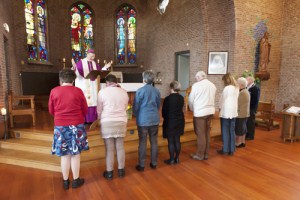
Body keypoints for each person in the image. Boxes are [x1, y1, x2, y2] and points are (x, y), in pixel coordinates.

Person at [49, 69, 88, 190]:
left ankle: (65, 182)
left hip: (61, 126)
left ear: (60, 80)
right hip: (77, 126)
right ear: (73, 80)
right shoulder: (78, 91)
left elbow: (51, 110)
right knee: (75, 155)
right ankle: (76, 180)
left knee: (64, 155)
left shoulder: (54, 91)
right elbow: (85, 110)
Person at [97, 74, 129, 180]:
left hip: (107, 121)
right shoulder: (124, 92)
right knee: (120, 147)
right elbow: (125, 107)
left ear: (107, 82)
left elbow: (99, 110)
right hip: (121, 121)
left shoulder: (102, 92)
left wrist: (98, 119)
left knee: (109, 149)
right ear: (116, 82)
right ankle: (121, 171)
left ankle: (109, 173)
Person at [133, 70, 161, 171]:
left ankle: (141, 165)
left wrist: (135, 114)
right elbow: (158, 105)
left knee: (142, 142)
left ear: (144, 79)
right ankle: (154, 163)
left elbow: (136, 106)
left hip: (143, 119)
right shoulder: (157, 91)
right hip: (154, 118)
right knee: (154, 141)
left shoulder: (140, 90)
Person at [188, 71, 216, 160]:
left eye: (196, 78)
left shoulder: (196, 86)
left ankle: (200, 155)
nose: (196, 80)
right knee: (207, 133)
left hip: (200, 113)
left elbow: (191, 100)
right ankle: (206, 154)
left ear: (199, 77)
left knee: (200, 134)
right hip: (210, 111)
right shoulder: (212, 85)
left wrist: (192, 109)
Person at [71, 49, 101, 124]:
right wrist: (75, 67)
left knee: (93, 100)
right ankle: (84, 119)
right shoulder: (81, 63)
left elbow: (99, 72)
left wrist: (104, 68)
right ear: (87, 54)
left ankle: (93, 119)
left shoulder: (95, 63)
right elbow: (77, 74)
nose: (92, 58)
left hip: (93, 85)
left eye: (93, 57)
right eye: (91, 56)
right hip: (84, 84)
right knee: (85, 101)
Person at [162, 81, 185, 165]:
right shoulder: (181, 98)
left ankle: (171, 159)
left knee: (171, 141)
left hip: (170, 121)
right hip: (179, 120)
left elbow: (164, 112)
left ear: (171, 88)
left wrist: (166, 117)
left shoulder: (167, 99)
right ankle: (177, 158)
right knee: (177, 140)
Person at [217, 73, 239, 156]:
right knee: (232, 130)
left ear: (226, 80)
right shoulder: (236, 88)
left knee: (225, 131)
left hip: (226, 112)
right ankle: (232, 149)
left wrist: (219, 108)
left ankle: (225, 149)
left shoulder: (227, 88)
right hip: (233, 112)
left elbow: (222, 100)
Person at [235, 77, 250, 148]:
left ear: (241, 85)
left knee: (239, 129)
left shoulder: (242, 93)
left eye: (237, 83)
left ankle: (238, 143)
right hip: (245, 113)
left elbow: (238, 104)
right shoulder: (246, 91)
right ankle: (243, 141)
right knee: (243, 128)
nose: (236, 84)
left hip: (241, 114)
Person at [246, 76, 260, 140]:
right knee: (247, 122)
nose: (246, 81)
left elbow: (255, 100)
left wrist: (251, 107)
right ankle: (247, 134)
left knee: (251, 122)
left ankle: (251, 136)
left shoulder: (255, 88)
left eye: (247, 80)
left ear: (251, 81)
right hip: (247, 107)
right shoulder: (248, 87)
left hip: (252, 107)